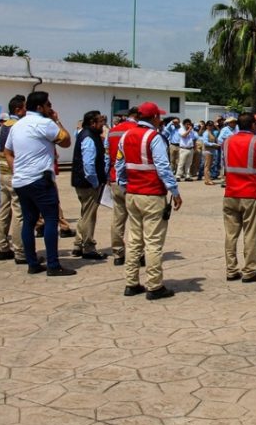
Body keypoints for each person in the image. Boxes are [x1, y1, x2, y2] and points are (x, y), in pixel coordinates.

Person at [4, 91, 75, 276]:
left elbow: (7, 152)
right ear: (40, 107)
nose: (51, 108)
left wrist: (16, 169)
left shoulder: (17, 126)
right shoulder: (45, 123)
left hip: (21, 181)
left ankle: (32, 262)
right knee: (51, 219)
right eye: (48, 105)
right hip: (40, 179)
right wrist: (56, 120)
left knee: (28, 220)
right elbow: (66, 141)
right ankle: (53, 264)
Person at [116, 101, 182, 300]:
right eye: (158, 116)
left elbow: (119, 164)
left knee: (135, 240)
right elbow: (163, 167)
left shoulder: (125, 136)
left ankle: (131, 282)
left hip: (132, 194)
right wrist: (175, 191)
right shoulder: (154, 137)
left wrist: (124, 185)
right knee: (153, 242)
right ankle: (154, 285)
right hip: (152, 194)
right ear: (154, 118)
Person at [222, 113, 256, 283]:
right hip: (250, 194)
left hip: (230, 193)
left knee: (231, 234)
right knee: (251, 233)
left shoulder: (227, 141)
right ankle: (249, 271)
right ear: (253, 125)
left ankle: (231, 270)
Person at [70, 110, 108, 261]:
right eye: (100, 122)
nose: (103, 125)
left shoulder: (87, 135)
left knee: (85, 213)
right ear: (93, 123)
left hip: (83, 182)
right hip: (88, 183)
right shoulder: (89, 138)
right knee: (89, 216)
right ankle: (88, 246)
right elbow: (88, 164)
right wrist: (95, 182)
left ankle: (78, 243)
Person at [0, 95, 27, 263]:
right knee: (19, 212)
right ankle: (20, 250)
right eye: (24, 108)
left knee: (4, 209)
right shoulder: (19, 125)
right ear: (18, 110)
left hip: (2, 171)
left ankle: (2, 246)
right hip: (14, 170)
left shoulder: (4, 126)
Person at [106, 107, 139, 265]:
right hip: (132, 179)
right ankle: (137, 254)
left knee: (118, 218)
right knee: (136, 219)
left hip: (114, 178)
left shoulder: (112, 131)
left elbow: (107, 155)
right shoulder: (137, 131)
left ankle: (118, 253)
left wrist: (108, 175)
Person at [201, 120, 220, 186]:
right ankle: (208, 180)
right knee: (207, 166)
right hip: (207, 151)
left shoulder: (212, 132)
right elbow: (205, 142)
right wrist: (213, 144)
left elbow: (219, 132)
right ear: (206, 126)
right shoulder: (206, 133)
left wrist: (216, 126)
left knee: (209, 166)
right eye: (209, 125)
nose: (211, 127)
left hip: (211, 151)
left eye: (212, 125)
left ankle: (207, 180)